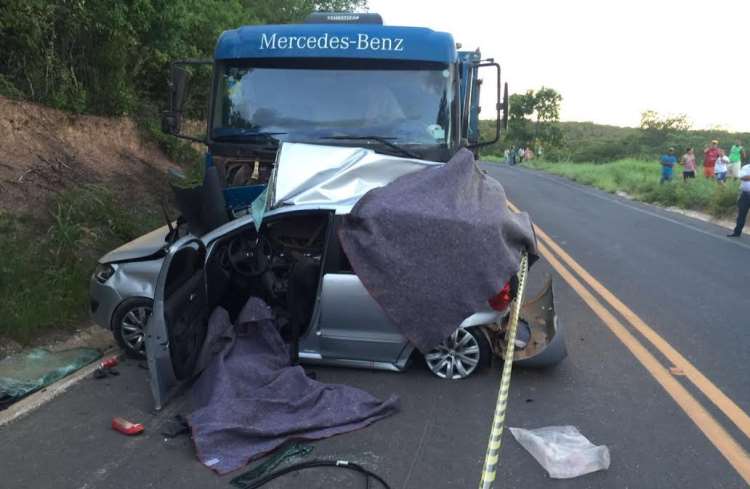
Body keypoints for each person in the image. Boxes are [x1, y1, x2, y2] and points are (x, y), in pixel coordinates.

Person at [727, 161, 750, 237]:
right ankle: (737, 232)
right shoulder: (746, 167)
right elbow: (741, 177)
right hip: (745, 195)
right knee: (741, 215)